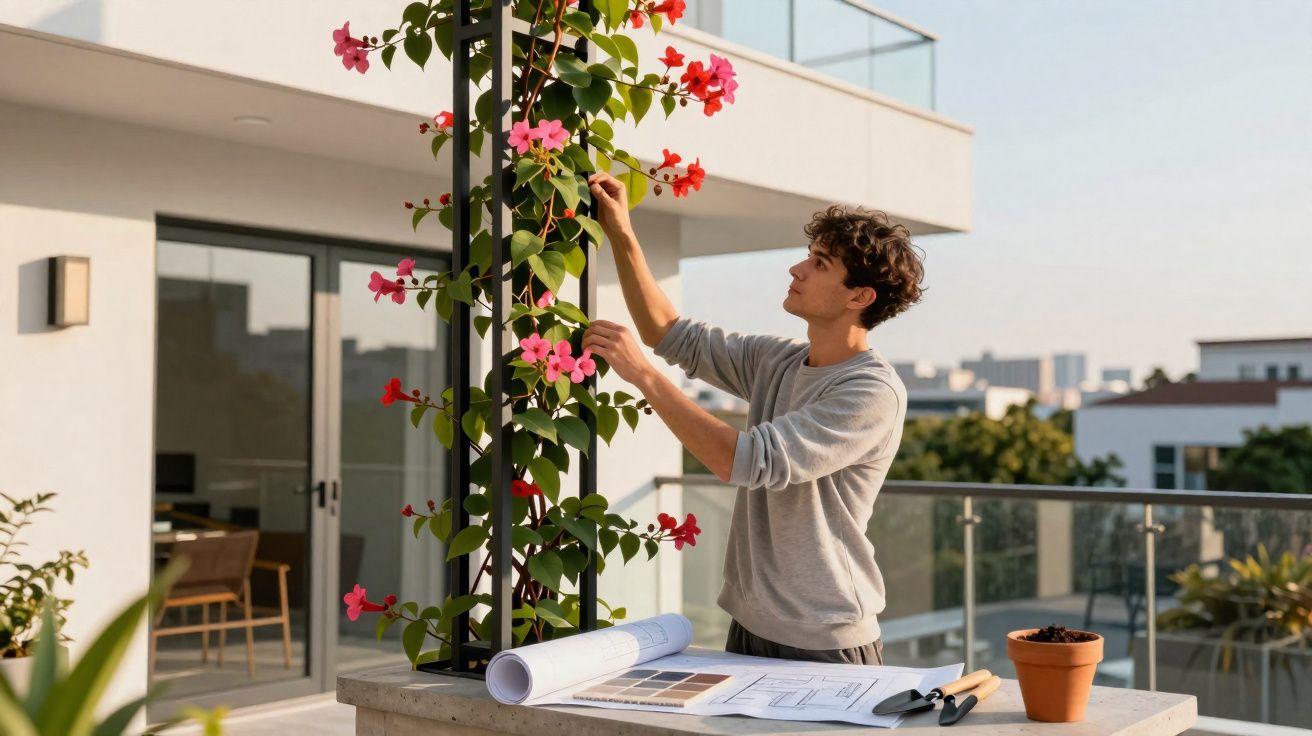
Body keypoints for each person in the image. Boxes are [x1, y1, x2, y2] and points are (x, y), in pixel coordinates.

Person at [581, 171, 925, 665]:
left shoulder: (871, 392)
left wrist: (644, 375)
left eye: (819, 263)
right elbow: (668, 333)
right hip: (748, 624)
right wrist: (621, 231)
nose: (797, 269)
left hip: (826, 638)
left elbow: (742, 460)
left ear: (859, 297)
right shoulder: (778, 360)